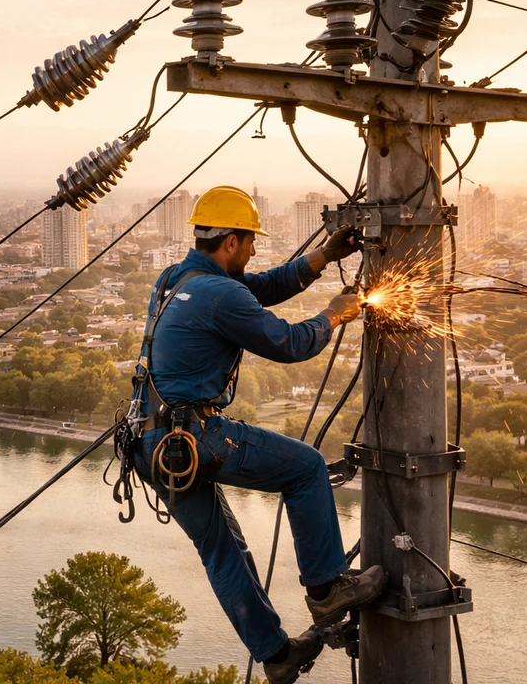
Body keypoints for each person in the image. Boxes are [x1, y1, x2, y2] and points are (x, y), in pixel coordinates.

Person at [130, 185, 386, 684]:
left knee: (222, 550)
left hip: (150, 444)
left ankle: (276, 654)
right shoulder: (218, 292)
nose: (253, 251)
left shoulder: (175, 278)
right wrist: (333, 314)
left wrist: (321, 257)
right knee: (305, 467)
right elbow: (289, 343)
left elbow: (255, 290)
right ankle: (326, 588)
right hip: (192, 437)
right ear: (228, 241)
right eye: (249, 243)